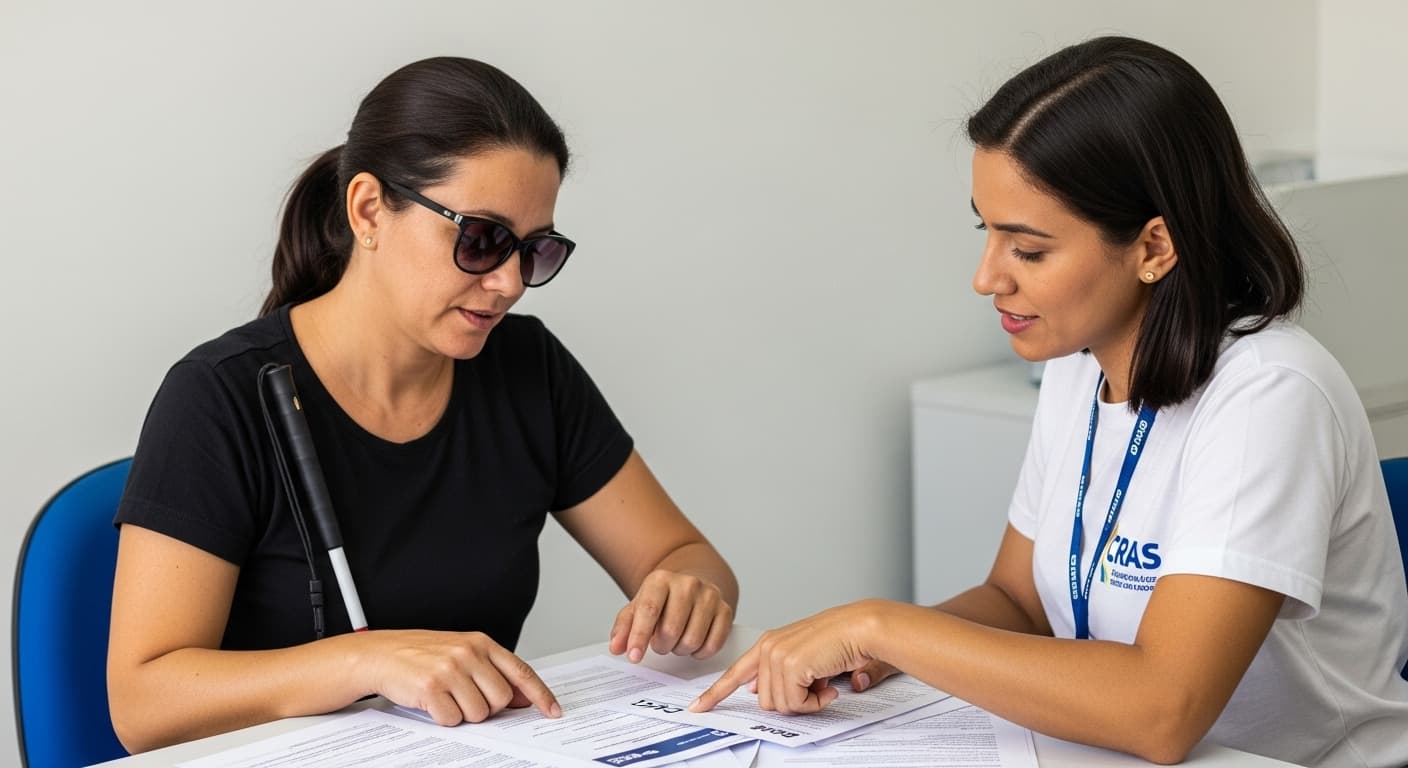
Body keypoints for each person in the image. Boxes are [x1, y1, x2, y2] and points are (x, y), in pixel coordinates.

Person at [691, 36, 1408, 767]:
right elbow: (1020, 604)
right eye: (987, 232)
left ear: (1155, 246)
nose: (986, 278)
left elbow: (1163, 712)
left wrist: (881, 626)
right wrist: (863, 656)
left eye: (1028, 250)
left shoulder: (1269, 394)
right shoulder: (1079, 363)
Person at [107, 57, 738, 753]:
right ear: (369, 209)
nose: (508, 284)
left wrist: (686, 588)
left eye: (534, 251)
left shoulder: (527, 368)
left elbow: (684, 556)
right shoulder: (220, 396)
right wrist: (365, 661)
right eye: (481, 239)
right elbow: (143, 705)